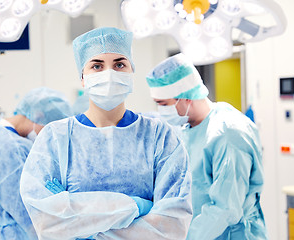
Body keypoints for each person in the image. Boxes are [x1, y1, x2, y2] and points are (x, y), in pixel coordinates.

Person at [20, 27, 192, 240]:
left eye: (119, 64)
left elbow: (172, 224)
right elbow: (47, 221)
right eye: (97, 66)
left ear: (131, 74)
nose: (109, 74)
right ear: (83, 78)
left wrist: (84, 227)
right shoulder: (55, 138)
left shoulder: (160, 136)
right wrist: (136, 207)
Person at [145, 53, 267, 239]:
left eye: (163, 104)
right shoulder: (188, 128)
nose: (160, 111)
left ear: (185, 97)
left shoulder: (228, 133)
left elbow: (226, 208)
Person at [0, 87, 73, 240]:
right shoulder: (8, 147)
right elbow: (26, 211)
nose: (49, 138)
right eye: (48, 130)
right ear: (39, 116)